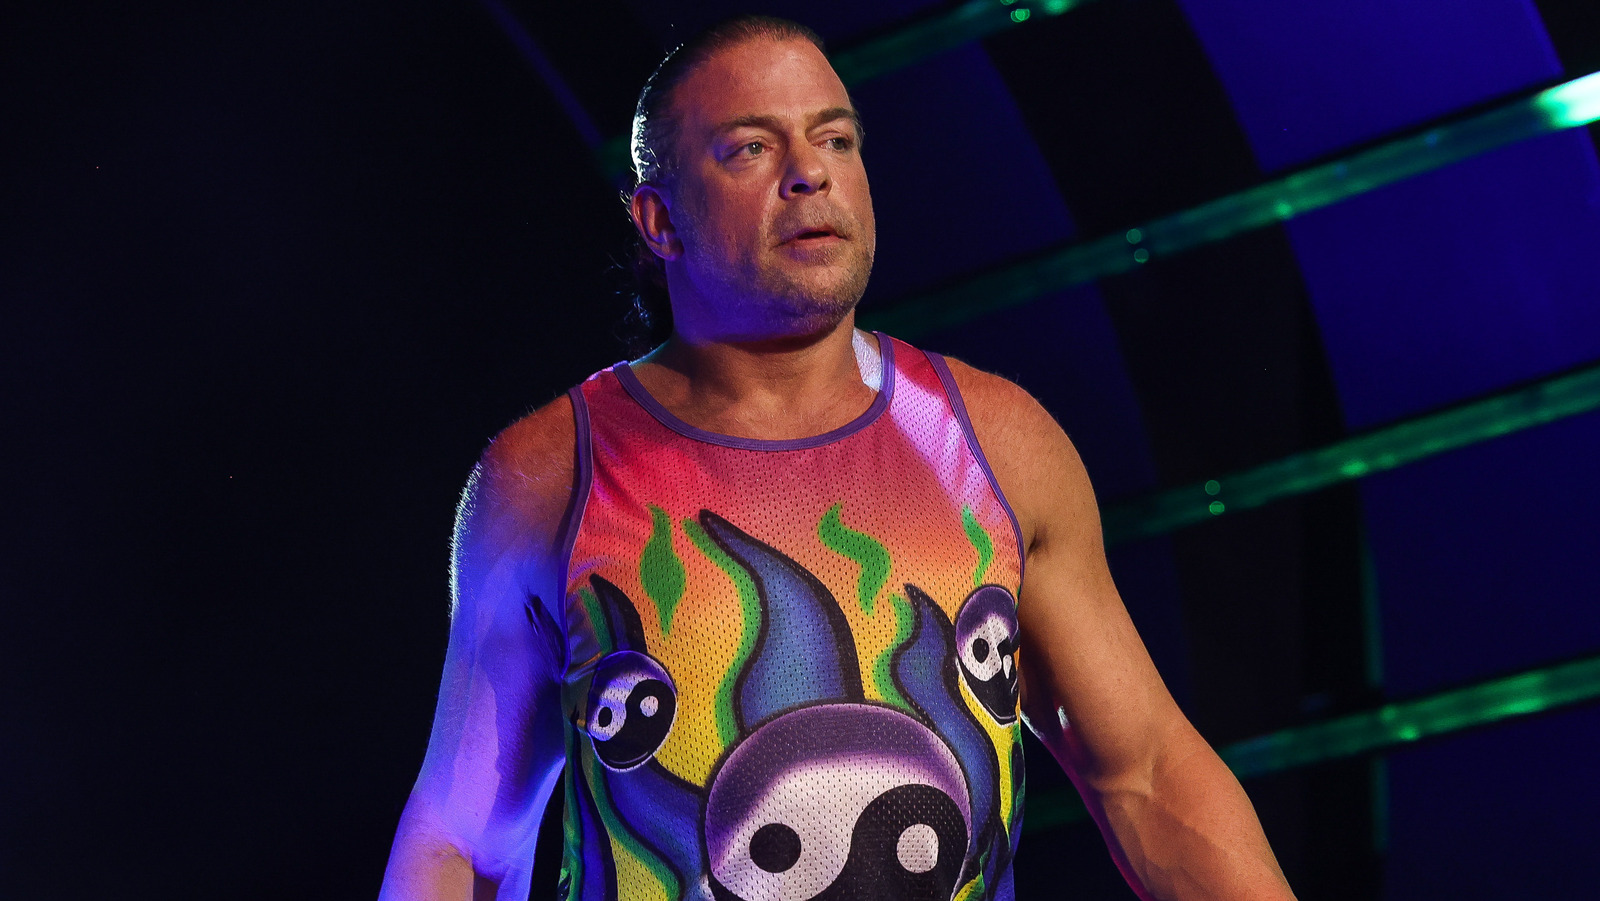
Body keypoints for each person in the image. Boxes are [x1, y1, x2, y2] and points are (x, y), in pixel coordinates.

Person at [380, 15, 1295, 901]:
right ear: (659, 219)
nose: (809, 172)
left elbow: (1145, 774)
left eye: (836, 140)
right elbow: (464, 842)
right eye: (751, 147)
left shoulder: (999, 444)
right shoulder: (548, 477)